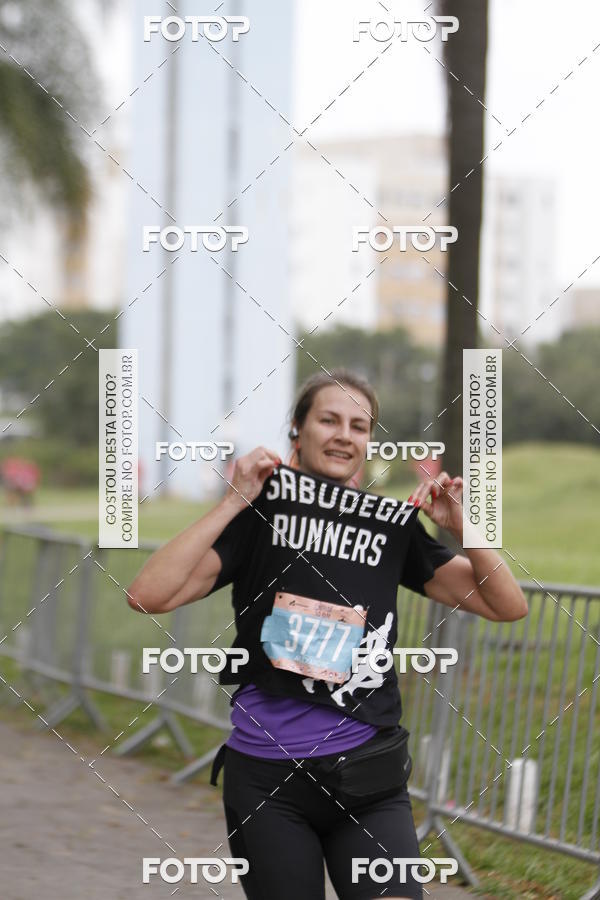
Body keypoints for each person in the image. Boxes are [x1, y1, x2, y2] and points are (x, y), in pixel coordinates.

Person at [127, 368, 528, 900]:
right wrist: (231, 502)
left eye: (359, 426)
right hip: (268, 782)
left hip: (367, 779)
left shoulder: (390, 527)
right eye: (328, 420)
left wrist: (464, 527)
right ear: (297, 429)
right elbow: (148, 594)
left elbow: (508, 605)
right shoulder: (259, 515)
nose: (344, 434)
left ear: (368, 441)